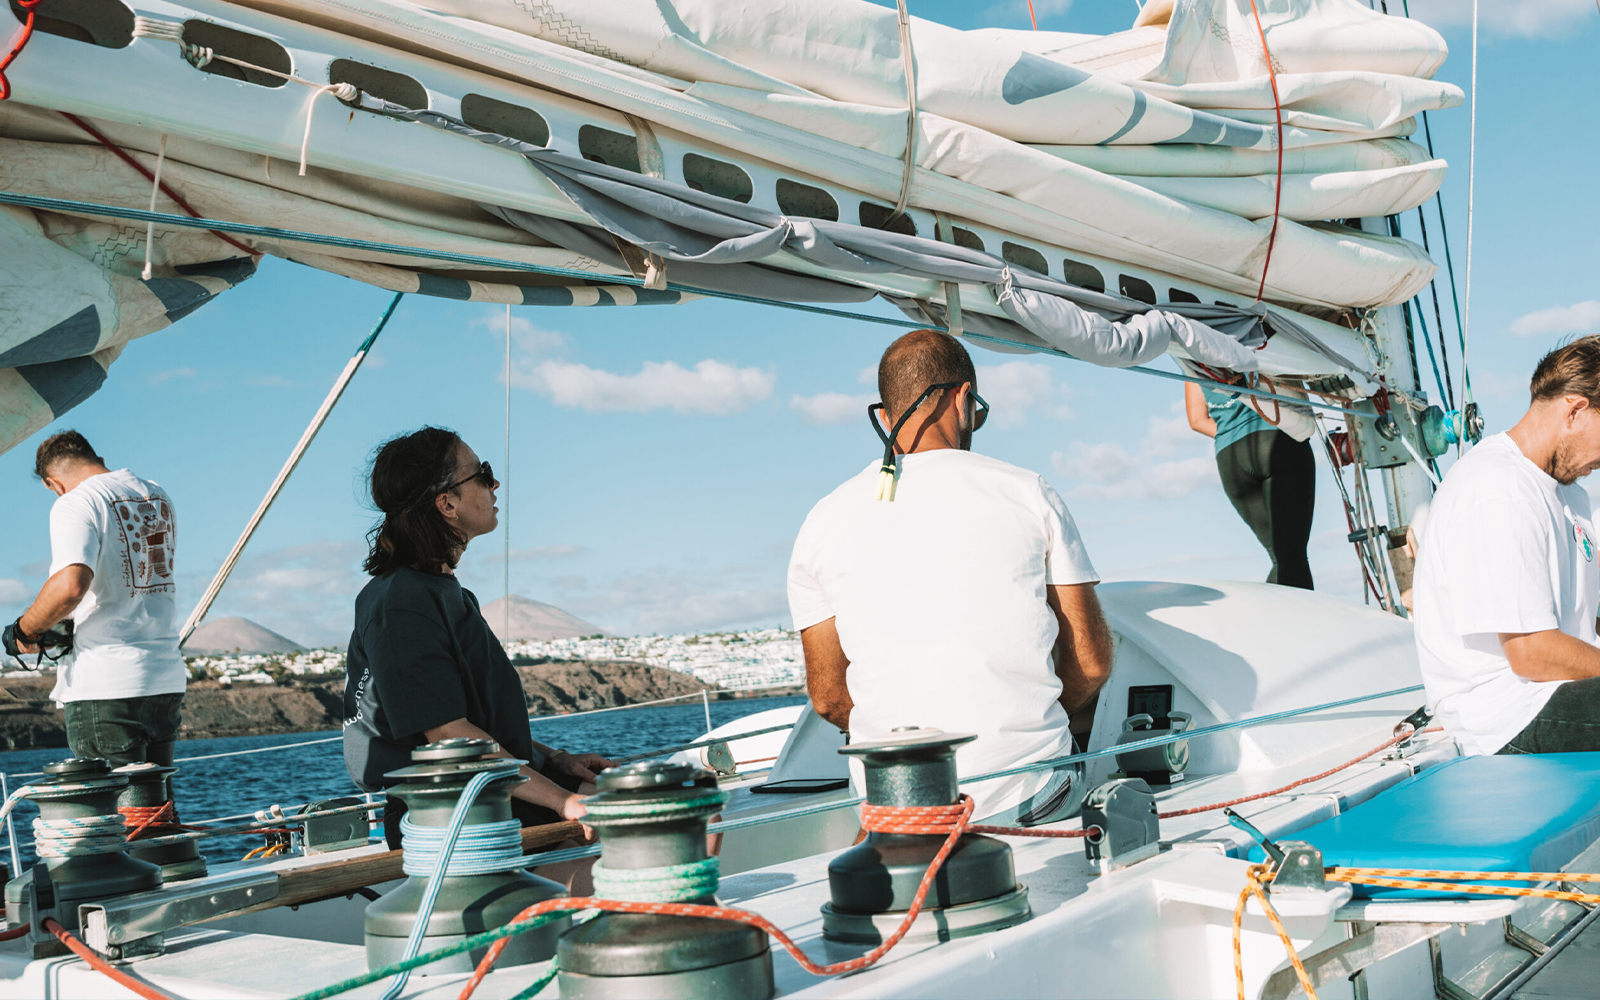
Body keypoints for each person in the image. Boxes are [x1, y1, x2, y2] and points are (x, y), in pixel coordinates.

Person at [787, 330, 1114, 823]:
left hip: (898, 811)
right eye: (977, 410)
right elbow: (1089, 662)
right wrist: (1025, 720)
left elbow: (830, 698)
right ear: (963, 400)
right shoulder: (1027, 491)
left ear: (884, 415)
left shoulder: (821, 520)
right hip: (1027, 794)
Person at [342, 426, 615, 865]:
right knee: (677, 821)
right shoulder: (402, 604)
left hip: (490, 795)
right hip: (455, 819)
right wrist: (563, 801)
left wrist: (554, 760)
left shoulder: (442, 592)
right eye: (483, 474)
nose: (495, 485)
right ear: (446, 503)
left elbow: (475, 721)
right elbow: (449, 736)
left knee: (689, 807)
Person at [1413, 336, 1600, 756]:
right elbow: (1531, 654)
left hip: (1555, 693)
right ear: (1576, 410)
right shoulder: (1497, 487)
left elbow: (1585, 621)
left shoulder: (1571, 495)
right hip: (1505, 713)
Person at [6, 431, 186, 766]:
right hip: (164, 678)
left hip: (107, 685)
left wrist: (23, 632)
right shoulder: (156, 494)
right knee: (155, 811)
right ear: (98, 459)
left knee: (116, 815)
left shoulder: (75, 502)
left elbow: (71, 586)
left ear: (51, 484)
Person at [1184, 379, 1317, 590]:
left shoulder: (1189, 355)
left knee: (1281, 558)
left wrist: (1234, 432)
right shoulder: (1262, 344)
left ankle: (1271, 620)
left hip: (1230, 458)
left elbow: (1197, 420)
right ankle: (1300, 622)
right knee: (1291, 556)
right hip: (1276, 440)